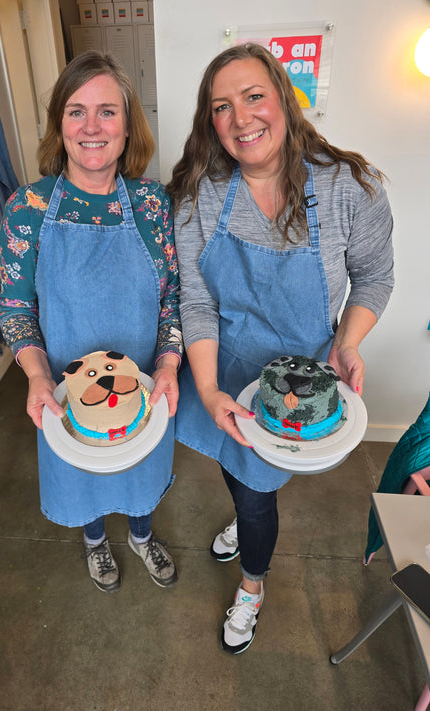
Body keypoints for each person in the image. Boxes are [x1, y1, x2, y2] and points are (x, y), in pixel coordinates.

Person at [167, 43, 394, 653]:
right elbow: (197, 303)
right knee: (237, 472)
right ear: (209, 122)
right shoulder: (199, 196)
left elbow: (374, 276)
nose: (240, 119)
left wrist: (346, 342)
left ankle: (252, 586)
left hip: (295, 382)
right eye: (222, 107)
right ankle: (243, 522)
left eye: (253, 96)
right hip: (224, 363)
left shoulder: (350, 187)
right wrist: (210, 390)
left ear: (286, 99)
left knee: (257, 494)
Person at [0, 50, 183, 593]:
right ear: (60, 124)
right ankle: (96, 540)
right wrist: (36, 376)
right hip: (67, 395)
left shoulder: (153, 205)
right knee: (85, 475)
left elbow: (173, 300)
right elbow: (15, 308)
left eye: (108, 111)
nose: (92, 126)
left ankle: (143, 535)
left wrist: (169, 365)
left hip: (146, 390)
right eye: (77, 111)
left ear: (128, 127)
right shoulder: (28, 207)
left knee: (141, 472)